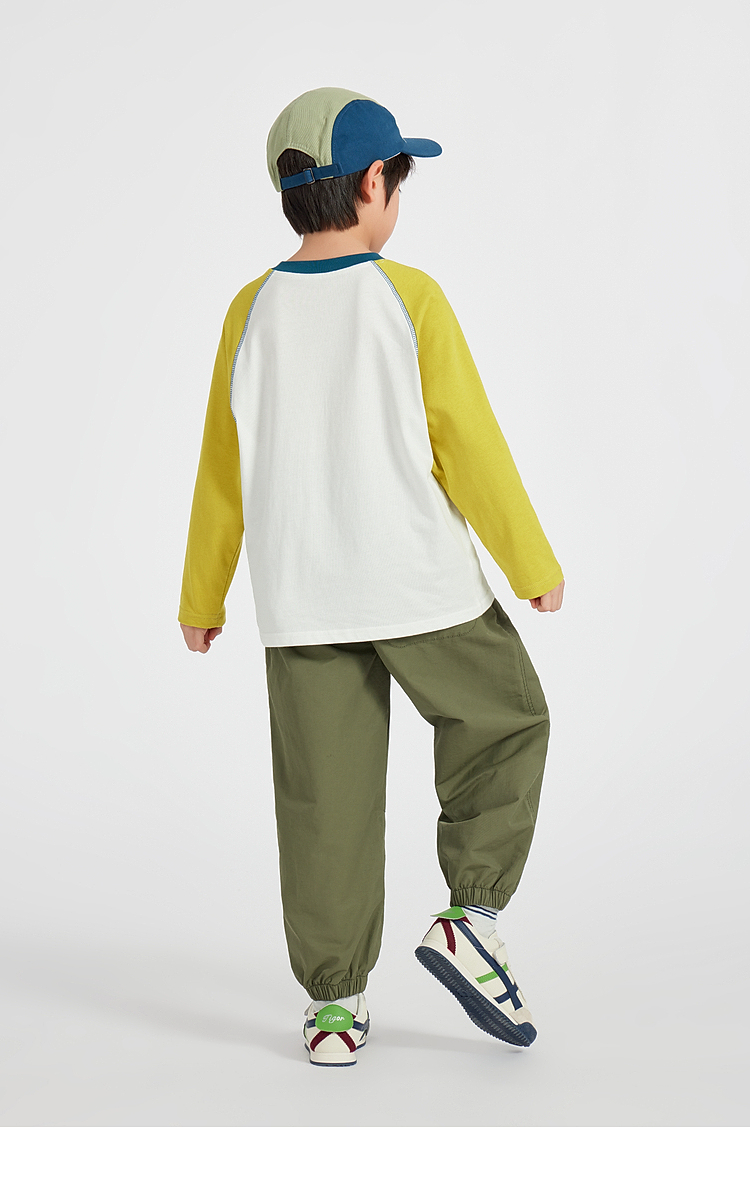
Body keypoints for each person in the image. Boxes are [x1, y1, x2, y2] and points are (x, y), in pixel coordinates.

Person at [178, 86, 564, 1068]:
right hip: (416, 581)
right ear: (371, 186)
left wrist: (202, 592)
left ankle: (334, 1006)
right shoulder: (410, 296)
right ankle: (469, 917)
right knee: (508, 720)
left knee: (325, 803)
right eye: (398, 179)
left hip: (301, 595)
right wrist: (529, 561)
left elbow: (223, 464)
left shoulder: (248, 310)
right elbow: (468, 442)